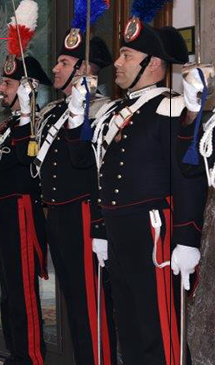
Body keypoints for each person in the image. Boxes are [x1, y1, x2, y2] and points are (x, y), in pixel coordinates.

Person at [66, 18, 206, 365]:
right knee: (128, 326)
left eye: (126, 55)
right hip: (118, 231)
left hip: (153, 233)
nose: (117, 63)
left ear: (153, 63)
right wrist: (75, 112)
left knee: (158, 329)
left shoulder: (173, 108)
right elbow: (85, 163)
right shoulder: (113, 111)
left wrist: (187, 238)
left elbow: (189, 174)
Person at [34, 31, 118, 364]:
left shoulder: (102, 112)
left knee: (92, 303)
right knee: (73, 302)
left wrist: (99, 224)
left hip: (85, 216)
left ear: (84, 72)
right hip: (57, 217)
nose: (55, 68)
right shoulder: (55, 111)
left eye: (64, 62)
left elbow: (99, 172)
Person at [0, 56, 51, 365]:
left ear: (26, 88)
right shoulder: (9, 123)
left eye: (7, 83)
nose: (0, 88)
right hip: (2, 211)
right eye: (2, 82)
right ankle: (16, 352)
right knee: (8, 287)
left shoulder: (35, 122)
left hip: (20, 209)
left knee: (22, 288)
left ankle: (31, 356)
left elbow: (11, 157)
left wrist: (24, 115)